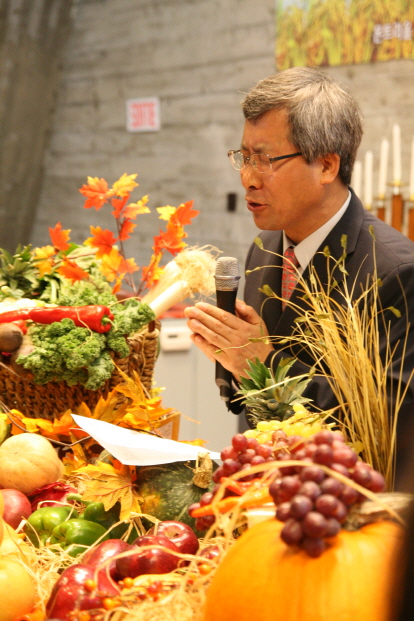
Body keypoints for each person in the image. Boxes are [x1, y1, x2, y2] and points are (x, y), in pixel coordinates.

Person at [184, 67, 414, 483]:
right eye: (244, 157)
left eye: (265, 160)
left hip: (350, 499)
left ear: (326, 165)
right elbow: (245, 398)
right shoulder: (264, 249)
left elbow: (393, 421)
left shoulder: (395, 270)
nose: (247, 178)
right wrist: (230, 358)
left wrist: (263, 364)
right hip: (265, 486)